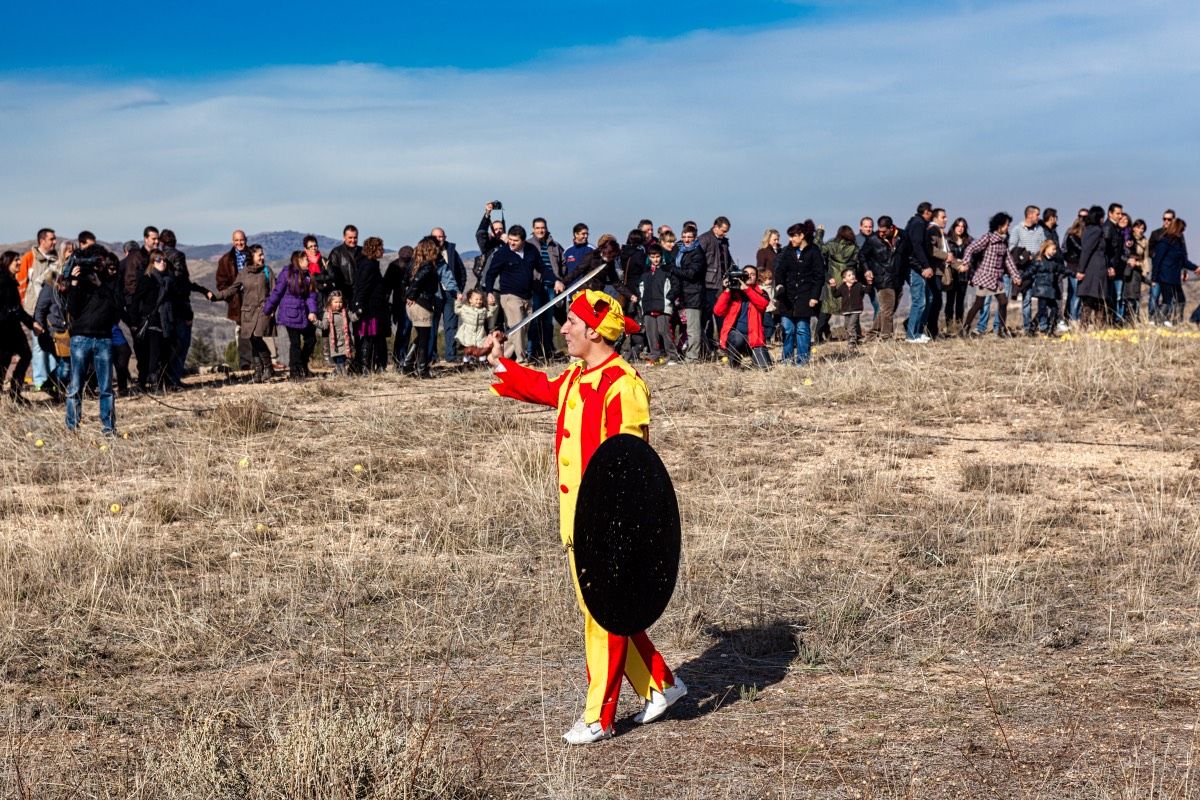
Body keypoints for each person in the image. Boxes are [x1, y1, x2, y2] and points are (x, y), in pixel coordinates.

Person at [484, 289, 683, 744]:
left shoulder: (623, 385)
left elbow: (632, 465)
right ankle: (661, 686)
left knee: (603, 613)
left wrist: (621, 526)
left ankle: (599, 716)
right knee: (602, 607)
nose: (564, 329)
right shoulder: (577, 377)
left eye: (571, 322)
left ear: (594, 331)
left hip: (607, 519)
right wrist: (498, 360)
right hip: (573, 515)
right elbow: (542, 388)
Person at [63, 244, 122, 433]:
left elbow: (116, 309)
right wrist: (73, 282)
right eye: (96, 260)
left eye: (101, 261)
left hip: (104, 338)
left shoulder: (111, 282)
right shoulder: (79, 281)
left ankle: (109, 429)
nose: (99, 264)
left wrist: (100, 285)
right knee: (75, 387)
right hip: (81, 337)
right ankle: (72, 428)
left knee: (106, 388)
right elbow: (72, 309)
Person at [212, 244, 275, 382]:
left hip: (264, 311)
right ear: (251, 257)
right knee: (253, 340)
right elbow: (232, 289)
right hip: (248, 312)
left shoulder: (267, 271)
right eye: (260, 255)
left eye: (263, 254)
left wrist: (272, 309)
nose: (263, 257)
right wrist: (216, 296)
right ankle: (258, 373)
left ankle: (269, 368)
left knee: (258, 338)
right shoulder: (244, 273)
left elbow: (275, 292)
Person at [160, 229, 210, 388]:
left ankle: (164, 380)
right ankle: (174, 379)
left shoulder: (156, 258)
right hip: (180, 307)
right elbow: (181, 282)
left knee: (168, 346)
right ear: (174, 241)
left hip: (163, 309)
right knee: (181, 344)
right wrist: (201, 291)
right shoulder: (178, 256)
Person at [484, 224, 540, 363]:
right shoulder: (502, 253)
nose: (511, 243)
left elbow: (543, 268)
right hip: (509, 296)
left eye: (515, 240)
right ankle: (521, 360)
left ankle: (498, 360)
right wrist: (489, 292)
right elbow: (491, 274)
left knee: (519, 331)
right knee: (518, 328)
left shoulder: (531, 250)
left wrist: (556, 280)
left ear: (523, 241)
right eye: (510, 239)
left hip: (527, 296)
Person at [961, 213, 1023, 335]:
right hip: (985, 277)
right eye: (1006, 225)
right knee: (979, 304)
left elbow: (1008, 260)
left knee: (1003, 302)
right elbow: (970, 248)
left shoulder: (1004, 241)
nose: (1008, 227)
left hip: (997, 279)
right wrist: (965, 263)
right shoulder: (988, 238)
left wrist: (1015, 276)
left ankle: (1001, 330)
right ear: (999, 226)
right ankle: (965, 328)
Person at [773, 221, 824, 365]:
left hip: (805, 296)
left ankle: (802, 361)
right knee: (788, 329)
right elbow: (780, 271)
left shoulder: (814, 251)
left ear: (801, 236)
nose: (790, 239)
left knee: (802, 329)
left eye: (793, 236)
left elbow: (819, 276)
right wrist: (780, 285)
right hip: (787, 297)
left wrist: (814, 296)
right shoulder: (787, 251)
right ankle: (787, 360)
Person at [17, 228, 59, 396]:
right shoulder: (29, 258)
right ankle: (40, 381)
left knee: (53, 346)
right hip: (35, 310)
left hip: (53, 311)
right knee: (39, 346)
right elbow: (21, 283)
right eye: (51, 239)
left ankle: (54, 380)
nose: (54, 242)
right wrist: (26, 308)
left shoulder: (55, 259)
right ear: (42, 240)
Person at [264, 251, 319, 380]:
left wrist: (312, 311)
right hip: (290, 315)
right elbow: (277, 292)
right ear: (299, 261)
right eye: (306, 260)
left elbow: (311, 295)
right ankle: (295, 372)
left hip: (304, 314)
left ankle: (303, 365)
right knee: (295, 343)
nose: (309, 262)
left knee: (311, 339)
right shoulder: (287, 274)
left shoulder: (308, 276)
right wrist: (268, 309)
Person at [130, 251, 175, 392]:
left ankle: (159, 384)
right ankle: (145, 384)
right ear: (152, 263)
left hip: (165, 322)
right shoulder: (147, 279)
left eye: (164, 260)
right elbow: (135, 301)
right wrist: (134, 321)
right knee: (149, 356)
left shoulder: (168, 281)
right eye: (159, 260)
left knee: (163, 354)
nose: (163, 262)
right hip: (150, 322)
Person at [1, 250, 41, 403]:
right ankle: (14, 393)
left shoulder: (9, 280)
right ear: (7, 262)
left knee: (21, 356)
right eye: (16, 260)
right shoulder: (4, 281)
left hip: (11, 328)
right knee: (5, 361)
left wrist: (31, 324)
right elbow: (15, 309)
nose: (19, 262)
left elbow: (16, 308)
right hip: (5, 329)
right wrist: (32, 324)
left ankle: (15, 392)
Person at [713, 265, 771, 369]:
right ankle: (734, 364)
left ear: (756, 278)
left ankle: (753, 357)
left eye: (752, 274)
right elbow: (718, 311)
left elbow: (762, 304)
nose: (749, 276)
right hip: (735, 335)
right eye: (746, 274)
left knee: (765, 367)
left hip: (754, 337)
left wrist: (747, 289)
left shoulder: (762, 293)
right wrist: (727, 290)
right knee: (738, 339)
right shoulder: (733, 292)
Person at [527, 218, 565, 361]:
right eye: (537, 228)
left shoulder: (555, 246)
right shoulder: (528, 245)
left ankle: (548, 351)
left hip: (552, 287)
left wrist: (560, 280)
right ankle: (531, 352)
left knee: (548, 321)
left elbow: (562, 265)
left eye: (542, 227)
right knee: (534, 320)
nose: (540, 230)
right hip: (536, 287)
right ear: (533, 229)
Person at [215, 229, 253, 369]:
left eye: (241, 240)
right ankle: (245, 363)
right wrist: (230, 297)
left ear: (246, 240)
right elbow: (221, 283)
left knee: (259, 328)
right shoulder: (225, 260)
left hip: (253, 297)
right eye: (236, 240)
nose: (239, 243)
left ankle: (264, 360)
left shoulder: (253, 255)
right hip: (237, 299)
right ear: (232, 241)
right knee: (242, 330)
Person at [401, 238, 439, 378]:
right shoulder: (428, 266)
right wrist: (411, 295)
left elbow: (405, 280)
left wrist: (406, 296)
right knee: (424, 338)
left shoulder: (413, 264)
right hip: (422, 303)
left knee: (421, 337)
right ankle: (422, 370)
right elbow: (418, 281)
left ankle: (408, 365)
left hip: (413, 305)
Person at [352, 236, 390, 373]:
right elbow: (362, 287)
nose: (383, 251)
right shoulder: (369, 265)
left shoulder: (369, 263)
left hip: (374, 307)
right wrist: (359, 306)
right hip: (370, 308)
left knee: (375, 337)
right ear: (374, 249)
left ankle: (373, 366)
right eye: (380, 248)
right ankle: (365, 367)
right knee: (369, 336)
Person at [429, 227, 466, 365]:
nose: (439, 239)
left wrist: (458, 290)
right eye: (436, 237)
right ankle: (432, 356)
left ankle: (451, 355)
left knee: (451, 325)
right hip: (434, 293)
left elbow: (461, 271)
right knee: (432, 324)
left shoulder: (451, 251)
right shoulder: (427, 251)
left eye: (441, 236)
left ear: (445, 237)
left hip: (451, 294)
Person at [1008, 205, 1047, 335]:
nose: (1038, 217)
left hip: (1038, 268)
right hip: (1025, 269)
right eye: (1037, 214)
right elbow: (1012, 248)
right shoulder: (1017, 230)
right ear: (1029, 215)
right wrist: (1025, 256)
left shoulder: (1040, 229)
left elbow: (1044, 245)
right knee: (1027, 299)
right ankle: (1027, 327)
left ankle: (1043, 325)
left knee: (1042, 297)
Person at [863, 216, 904, 341]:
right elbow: (861, 255)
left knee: (888, 308)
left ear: (891, 228)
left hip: (897, 278)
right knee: (887, 310)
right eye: (879, 230)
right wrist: (867, 270)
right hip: (882, 279)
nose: (881, 233)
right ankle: (886, 337)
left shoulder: (902, 237)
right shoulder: (872, 239)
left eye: (884, 231)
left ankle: (872, 334)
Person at [637, 245, 679, 365]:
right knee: (651, 332)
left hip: (663, 306)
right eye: (652, 257)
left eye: (657, 256)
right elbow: (640, 288)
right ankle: (654, 356)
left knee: (664, 331)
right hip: (648, 306)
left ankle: (672, 356)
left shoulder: (667, 271)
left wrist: (668, 299)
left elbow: (675, 286)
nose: (655, 259)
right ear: (649, 257)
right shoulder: (645, 273)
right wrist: (641, 301)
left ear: (661, 256)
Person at [32, 268, 70, 398]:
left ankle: (49, 385)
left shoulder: (64, 293)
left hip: (65, 332)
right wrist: (39, 326)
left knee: (65, 363)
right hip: (52, 333)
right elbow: (39, 309)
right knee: (65, 364)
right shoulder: (48, 290)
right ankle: (57, 389)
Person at [698, 216, 733, 356]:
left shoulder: (724, 242)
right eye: (723, 231)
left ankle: (722, 346)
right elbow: (699, 262)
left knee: (721, 317)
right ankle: (706, 348)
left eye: (726, 231)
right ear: (715, 226)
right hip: (708, 286)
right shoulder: (704, 239)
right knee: (706, 319)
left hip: (721, 285)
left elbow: (728, 261)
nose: (724, 234)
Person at [820, 226, 860, 342]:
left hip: (832, 280)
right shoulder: (854, 248)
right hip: (848, 282)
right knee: (852, 310)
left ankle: (818, 337)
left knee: (826, 311)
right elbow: (858, 263)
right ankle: (853, 337)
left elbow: (818, 248)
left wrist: (820, 233)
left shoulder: (831, 245)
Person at [903, 202, 935, 343]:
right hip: (915, 268)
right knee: (919, 301)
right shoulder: (918, 224)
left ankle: (918, 331)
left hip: (918, 266)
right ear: (927, 212)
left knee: (929, 298)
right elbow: (917, 246)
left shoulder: (917, 223)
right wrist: (925, 266)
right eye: (931, 212)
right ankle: (911, 335)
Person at [1075, 206, 1112, 329]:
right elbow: (1087, 250)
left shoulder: (1088, 230)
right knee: (1095, 299)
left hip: (1094, 267)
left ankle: (1091, 328)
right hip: (1095, 269)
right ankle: (1093, 327)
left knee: (1094, 300)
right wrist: (1081, 270)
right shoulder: (1096, 231)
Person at [1023, 240, 1068, 334]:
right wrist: (1020, 278)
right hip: (1041, 291)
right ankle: (1034, 328)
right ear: (1046, 249)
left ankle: (1049, 329)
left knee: (1054, 309)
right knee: (1042, 311)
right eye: (1053, 249)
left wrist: (1074, 274)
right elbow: (1030, 271)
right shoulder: (1039, 261)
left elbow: (1063, 269)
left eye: (1055, 249)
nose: (1055, 251)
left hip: (1050, 290)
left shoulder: (1053, 262)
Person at [1152, 219, 1190, 325]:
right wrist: (1154, 278)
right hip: (1165, 277)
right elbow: (1157, 260)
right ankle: (1158, 321)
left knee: (1180, 300)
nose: (1182, 233)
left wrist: (1195, 268)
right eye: (1182, 230)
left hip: (1174, 277)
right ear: (1177, 229)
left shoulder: (1178, 243)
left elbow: (1183, 261)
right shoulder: (1164, 242)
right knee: (1167, 301)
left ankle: (1176, 321)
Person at [384, 245, 414, 371]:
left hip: (407, 302)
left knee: (404, 332)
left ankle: (401, 358)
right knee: (403, 331)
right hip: (401, 303)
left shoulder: (395, 265)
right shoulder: (395, 266)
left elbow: (386, 287)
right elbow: (387, 287)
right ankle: (400, 358)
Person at [944, 218, 972, 336]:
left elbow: (973, 258)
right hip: (951, 275)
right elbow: (947, 256)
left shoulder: (969, 241)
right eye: (958, 226)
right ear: (954, 226)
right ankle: (950, 327)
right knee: (950, 301)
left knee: (960, 302)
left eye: (963, 226)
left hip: (964, 276)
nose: (960, 228)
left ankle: (959, 327)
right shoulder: (947, 240)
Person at [327, 225, 362, 311]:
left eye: (355, 237)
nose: (353, 240)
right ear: (344, 237)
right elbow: (332, 275)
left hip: (359, 294)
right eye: (350, 237)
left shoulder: (363, 252)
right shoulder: (336, 253)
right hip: (342, 295)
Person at [319, 292, 353, 376]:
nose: (338, 304)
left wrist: (358, 314)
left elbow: (353, 318)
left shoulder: (345, 312)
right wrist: (315, 321)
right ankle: (343, 375)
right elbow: (324, 326)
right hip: (335, 343)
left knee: (344, 359)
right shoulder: (327, 314)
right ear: (330, 302)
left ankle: (338, 373)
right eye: (336, 302)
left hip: (345, 341)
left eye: (340, 302)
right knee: (339, 359)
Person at [1123, 220, 1149, 324]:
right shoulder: (1129, 238)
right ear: (1133, 228)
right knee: (1129, 296)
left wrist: (1145, 271)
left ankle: (1135, 318)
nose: (1140, 230)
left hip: (1139, 269)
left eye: (1143, 228)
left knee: (1137, 296)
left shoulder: (1145, 241)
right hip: (1128, 268)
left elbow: (1145, 257)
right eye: (1138, 227)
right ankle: (1128, 318)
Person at [1061, 213, 1086, 324]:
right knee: (1076, 295)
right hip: (1075, 267)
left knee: (1077, 295)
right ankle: (1074, 318)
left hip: (1075, 266)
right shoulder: (1073, 238)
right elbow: (1079, 250)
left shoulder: (1073, 237)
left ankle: (1075, 317)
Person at [454, 289, 490, 363]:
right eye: (476, 299)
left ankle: (482, 362)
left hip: (480, 332)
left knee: (481, 347)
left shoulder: (483, 310)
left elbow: (490, 314)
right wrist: (458, 301)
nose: (479, 301)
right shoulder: (465, 309)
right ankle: (467, 362)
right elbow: (457, 310)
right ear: (470, 300)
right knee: (468, 348)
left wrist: (492, 306)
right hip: (468, 332)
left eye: (480, 299)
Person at [835, 268, 866, 348]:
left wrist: (869, 283)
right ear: (844, 279)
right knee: (847, 325)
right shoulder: (842, 287)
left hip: (856, 310)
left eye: (852, 274)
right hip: (846, 310)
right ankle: (855, 338)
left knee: (851, 325)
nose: (852, 276)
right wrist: (833, 287)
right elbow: (835, 295)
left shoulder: (858, 285)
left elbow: (867, 290)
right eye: (849, 275)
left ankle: (852, 342)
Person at [560, 223, 593, 288]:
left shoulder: (592, 249)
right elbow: (562, 270)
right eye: (583, 234)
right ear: (576, 234)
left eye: (587, 234)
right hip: (570, 289)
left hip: (587, 289)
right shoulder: (568, 251)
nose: (586, 236)